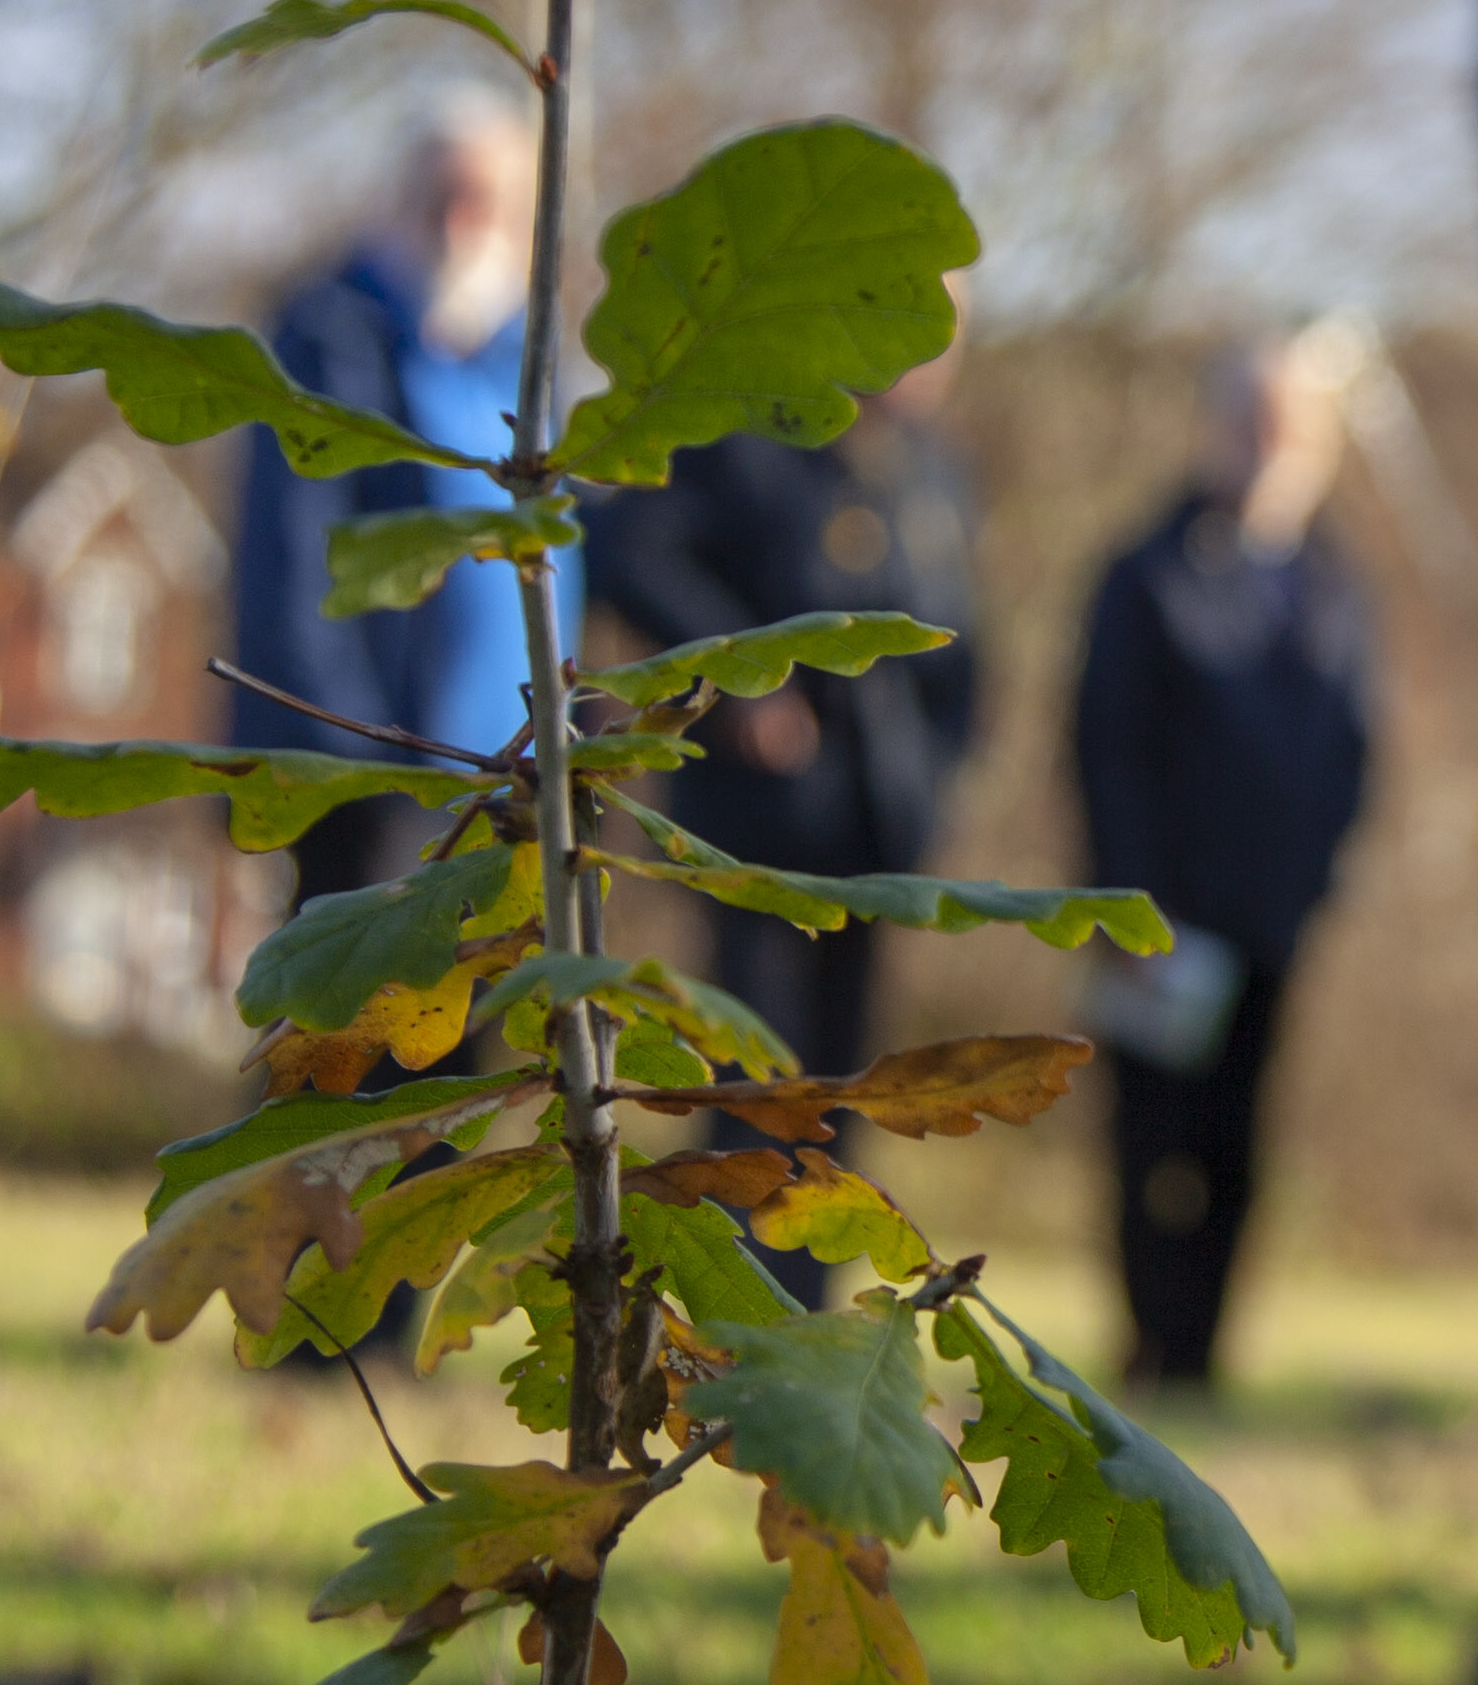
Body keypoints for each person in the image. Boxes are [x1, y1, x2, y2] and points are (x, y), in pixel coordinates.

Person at [1067, 334, 1380, 1389]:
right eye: (1251, 422)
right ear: (1214, 429)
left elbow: (1355, 747)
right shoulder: (1145, 572)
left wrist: (1325, 874)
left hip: (1274, 915)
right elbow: (1107, 746)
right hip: (1164, 918)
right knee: (1153, 1138)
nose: (1268, 447)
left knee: (1240, 1141)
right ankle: (1152, 1339)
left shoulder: (1336, 589)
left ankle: (1205, 1351)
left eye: (1290, 427)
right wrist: (1128, 904)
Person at [585, 338, 985, 1091]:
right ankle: (735, 1207)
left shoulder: (936, 469)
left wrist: (944, 768)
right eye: (922, 329)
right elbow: (631, 555)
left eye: (954, 339)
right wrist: (745, 682)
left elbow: (964, 645)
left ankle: (830, 1206)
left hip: (881, 823)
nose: (933, 355)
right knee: (755, 1068)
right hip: (759, 830)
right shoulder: (749, 432)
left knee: (846, 1079)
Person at [232, 100, 577, 912]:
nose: (460, 224)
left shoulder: (524, 356)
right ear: (402, 200)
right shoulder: (333, 338)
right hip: (381, 771)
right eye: (441, 197)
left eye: (484, 203)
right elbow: (292, 558)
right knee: (349, 1022)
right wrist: (352, 753)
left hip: (509, 781)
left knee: (474, 1023)